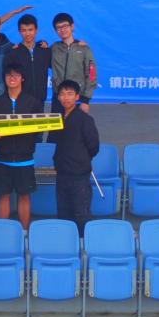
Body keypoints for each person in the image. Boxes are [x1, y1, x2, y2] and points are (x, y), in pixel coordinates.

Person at [0, 64, 45, 228]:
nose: (12, 78)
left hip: (25, 158)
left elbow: (39, 130)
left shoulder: (33, 102)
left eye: (16, 75)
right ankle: (3, 232)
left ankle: (25, 233)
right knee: (3, 196)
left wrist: (28, 142)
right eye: (8, 75)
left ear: (22, 78)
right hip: (2, 158)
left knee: (24, 196)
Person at [52, 80, 100, 236]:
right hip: (62, 173)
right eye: (62, 94)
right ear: (58, 97)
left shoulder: (85, 119)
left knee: (81, 215)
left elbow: (93, 146)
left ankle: (84, 247)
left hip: (79, 175)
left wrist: (80, 159)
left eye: (70, 94)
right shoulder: (58, 118)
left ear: (77, 97)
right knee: (63, 214)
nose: (65, 98)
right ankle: (67, 246)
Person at [50, 13, 97, 116]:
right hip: (58, 97)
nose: (62, 30)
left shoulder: (84, 49)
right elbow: (42, 58)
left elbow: (91, 75)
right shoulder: (54, 48)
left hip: (77, 97)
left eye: (65, 26)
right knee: (57, 126)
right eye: (58, 28)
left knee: (75, 125)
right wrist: (42, 42)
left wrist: (85, 100)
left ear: (72, 26)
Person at [2, 14, 52, 106]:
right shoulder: (13, 53)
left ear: (36, 30)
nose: (27, 33)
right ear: (19, 32)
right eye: (24, 30)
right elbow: (6, 77)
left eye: (30, 30)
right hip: (20, 101)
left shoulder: (45, 51)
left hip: (40, 100)